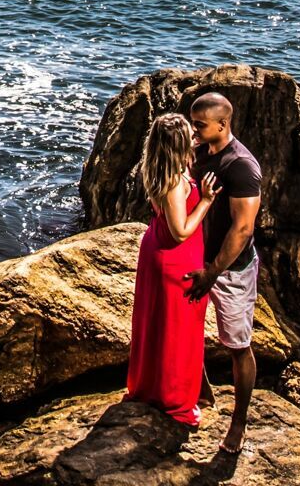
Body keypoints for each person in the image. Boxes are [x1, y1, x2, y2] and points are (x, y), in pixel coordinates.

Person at [125, 112, 219, 426]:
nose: (195, 135)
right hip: (175, 257)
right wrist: (206, 201)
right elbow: (180, 231)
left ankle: (152, 386)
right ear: (178, 144)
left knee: (157, 325)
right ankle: (174, 398)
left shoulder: (160, 169)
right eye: (190, 134)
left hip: (157, 249)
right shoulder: (175, 183)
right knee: (177, 329)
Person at [182, 91, 263, 455]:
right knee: (187, 331)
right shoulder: (201, 153)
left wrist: (213, 272)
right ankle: (202, 391)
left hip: (230, 271)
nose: (194, 131)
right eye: (192, 123)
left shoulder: (241, 166)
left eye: (199, 125)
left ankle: (239, 423)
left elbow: (242, 229)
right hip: (196, 261)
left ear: (223, 124)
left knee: (237, 346)